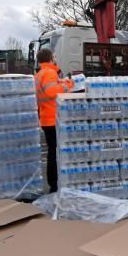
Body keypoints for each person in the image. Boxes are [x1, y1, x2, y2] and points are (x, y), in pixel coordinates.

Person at [35, 49, 74, 193]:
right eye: (54, 57)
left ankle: (53, 183)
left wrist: (60, 81)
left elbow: (48, 89)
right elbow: (52, 92)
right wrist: (68, 85)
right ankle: (55, 185)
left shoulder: (40, 74)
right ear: (51, 58)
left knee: (52, 151)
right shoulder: (49, 73)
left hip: (46, 117)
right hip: (53, 119)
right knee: (55, 152)